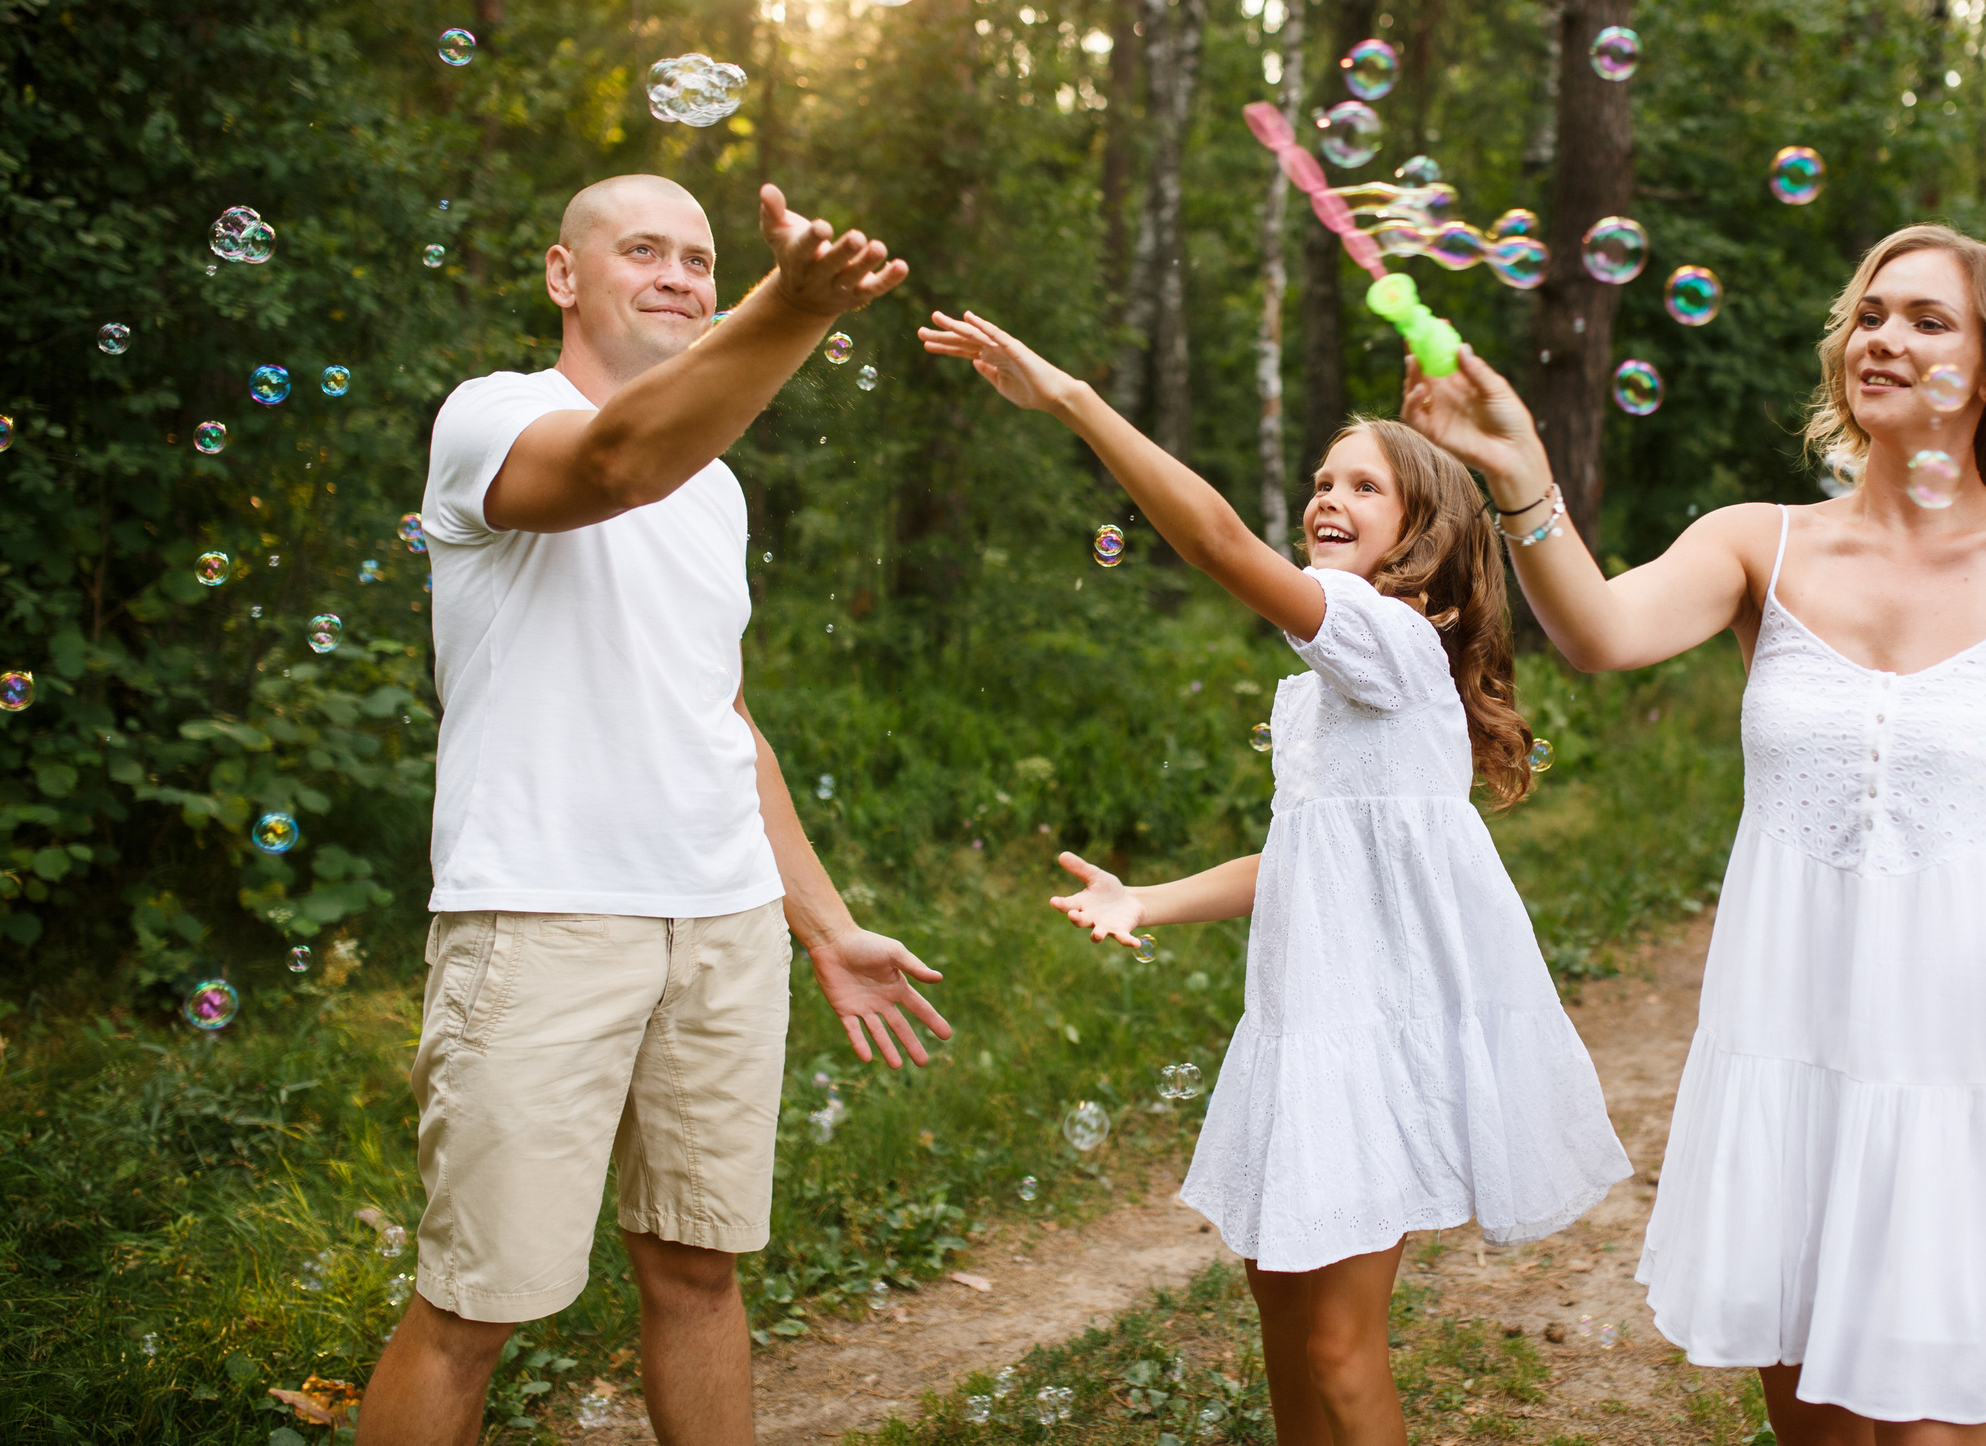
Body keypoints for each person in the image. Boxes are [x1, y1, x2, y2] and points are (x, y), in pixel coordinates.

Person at [1399, 225, 1986, 1446]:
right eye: (1870, 314)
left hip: (1967, 1050)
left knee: (1938, 1426)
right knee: (1815, 1422)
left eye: (1928, 320)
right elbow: (1601, 632)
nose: (1884, 336)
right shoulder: (1756, 542)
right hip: (1795, 1029)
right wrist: (1519, 473)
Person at [917, 309, 1630, 1446]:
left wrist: (1074, 402)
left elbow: (1213, 543)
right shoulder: (1328, 684)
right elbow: (1302, 853)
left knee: (1341, 1347)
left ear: (1425, 536)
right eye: (1321, 480)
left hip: (1366, 1037)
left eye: (1364, 487)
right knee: (1279, 1302)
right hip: (1308, 1022)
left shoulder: (1381, 638)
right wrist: (1144, 897)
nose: (1327, 500)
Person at [357, 176, 952, 1446]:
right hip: (543, 921)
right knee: (474, 1307)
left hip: (722, 922)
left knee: (698, 1271)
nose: (680, 275)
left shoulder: (720, 489)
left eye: (701, 256)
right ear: (564, 276)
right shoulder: (493, 415)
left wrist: (823, 923)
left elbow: (720, 720)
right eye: (644, 250)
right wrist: (791, 309)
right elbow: (620, 461)